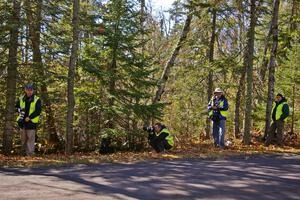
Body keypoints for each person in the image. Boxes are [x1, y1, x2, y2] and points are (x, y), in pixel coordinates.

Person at [16, 84, 42, 156]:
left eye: (31, 90)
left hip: (31, 122)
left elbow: (38, 111)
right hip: (22, 122)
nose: (29, 92)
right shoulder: (21, 98)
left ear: (33, 91)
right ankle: (23, 154)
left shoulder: (37, 99)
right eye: (28, 90)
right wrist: (20, 110)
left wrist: (30, 117)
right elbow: (16, 108)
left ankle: (30, 154)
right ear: (25, 90)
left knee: (30, 139)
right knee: (23, 139)